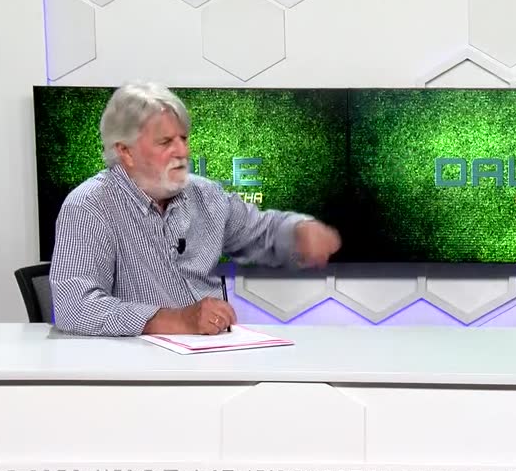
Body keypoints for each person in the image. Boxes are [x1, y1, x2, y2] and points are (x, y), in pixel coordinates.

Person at [49, 82, 342, 337]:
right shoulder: (90, 206)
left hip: (214, 359)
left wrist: (298, 232)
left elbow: (262, 232)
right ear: (125, 151)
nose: (182, 151)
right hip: (139, 370)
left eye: (183, 139)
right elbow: (74, 306)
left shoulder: (205, 194)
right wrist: (175, 320)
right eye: (165, 142)